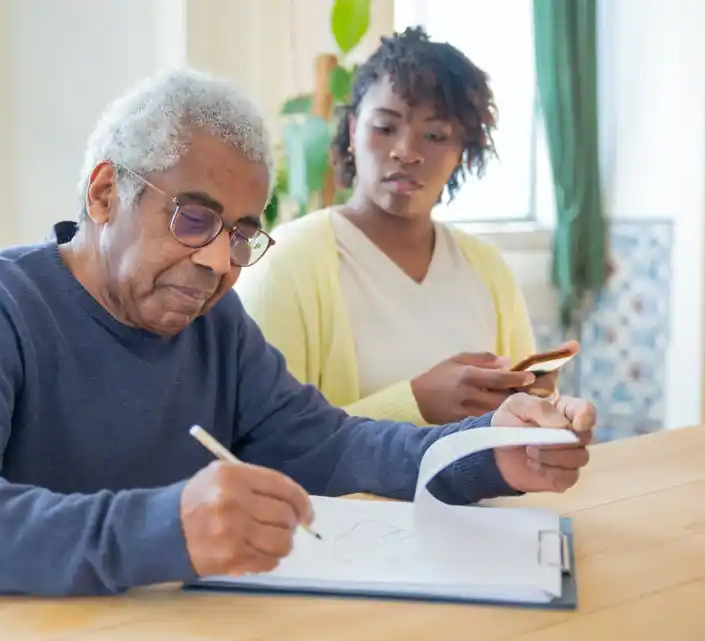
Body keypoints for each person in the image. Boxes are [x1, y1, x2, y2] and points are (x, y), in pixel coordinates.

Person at [0, 67, 595, 598]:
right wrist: (156, 528)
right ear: (106, 192)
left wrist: (491, 450)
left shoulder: (214, 321)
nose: (217, 261)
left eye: (241, 233)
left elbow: (332, 443)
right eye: (193, 217)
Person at [235, 27, 577, 428]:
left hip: (477, 491)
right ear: (351, 132)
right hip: (341, 495)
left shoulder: (487, 269)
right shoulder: (285, 263)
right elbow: (265, 438)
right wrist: (414, 403)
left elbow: (518, 419)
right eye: (385, 127)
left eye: (435, 135)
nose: (406, 152)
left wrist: (545, 410)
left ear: (462, 154)